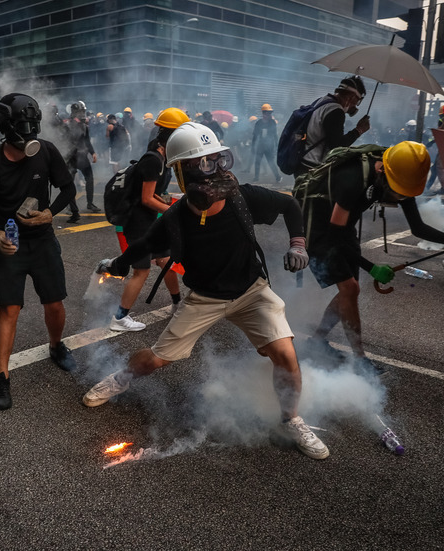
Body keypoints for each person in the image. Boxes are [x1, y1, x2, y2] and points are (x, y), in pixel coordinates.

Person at [89, 122, 329, 460]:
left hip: (251, 292)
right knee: (156, 359)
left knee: (286, 356)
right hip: (205, 299)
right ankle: (122, 377)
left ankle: (290, 419)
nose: (212, 171)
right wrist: (118, 263)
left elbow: (290, 206)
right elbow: (144, 242)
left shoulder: (243, 198)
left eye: (216, 160)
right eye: (201, 164)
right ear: (182, 175)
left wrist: (299, 245)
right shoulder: (175, 217)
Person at [301, 141, 444, 371]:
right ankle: (360, 360)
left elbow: (418, 228)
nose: (399, 198)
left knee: (349, 291)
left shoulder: (403, 177)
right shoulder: (353, 180)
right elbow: (334, 236)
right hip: (320, 227)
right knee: (350, 288)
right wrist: (371, 267)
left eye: (404, 195)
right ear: (382, 172)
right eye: (397, 193)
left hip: (344, 225)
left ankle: (316, 342)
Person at [0, 93, 79, 411]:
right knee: (10, 309)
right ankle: (1, 376)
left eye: (34, 130)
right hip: (9, 244)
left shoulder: (46, 151)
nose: (30, 138)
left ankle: (56, 346)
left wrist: (51, 213)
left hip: (43, 239)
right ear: (6, 130)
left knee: (55, 303)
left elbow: (68, 188)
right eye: (23, 133)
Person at [108, 108, 190, 332]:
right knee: (141, 271)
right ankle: (120, 318)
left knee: (165, 261)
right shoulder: (154, 160)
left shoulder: (161, 156)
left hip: (149, 221)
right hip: (138, 223)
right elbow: (146, 199)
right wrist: (170, 211)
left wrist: (168, 207)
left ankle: (176, 304)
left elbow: (150, 193)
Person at [298, 76, 371, 174]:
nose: (355, 106)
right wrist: (359, 130)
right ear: (351, 97)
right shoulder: (336, 111)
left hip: (303, 160)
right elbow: (337, 146)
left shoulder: (322, 100)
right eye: (357, 101)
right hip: (313, 166)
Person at [64, 101, 98, 219]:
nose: (82, 114)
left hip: (82, 156)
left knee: (90, 179)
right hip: (71, 157)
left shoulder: (84, 125)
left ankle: (90, 203)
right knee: (70, 183)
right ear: (74, 112)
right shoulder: (67, 125)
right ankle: (71, 207)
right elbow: (64, 142)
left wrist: (92, 152)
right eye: (80, 111)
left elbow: (87, 140)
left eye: (83, 111)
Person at [251, 104, 281, 184]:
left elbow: (275, 135)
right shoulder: (259, 123)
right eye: (268, 113)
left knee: (271, 162)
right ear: (264, 113)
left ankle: (278, 177)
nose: (270, 114)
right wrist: (253, 146)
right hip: (260, 146)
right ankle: (256, 177)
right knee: (257, 161)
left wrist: (276, 145)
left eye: (270, 113)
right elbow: (255, 135)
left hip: (269, 146)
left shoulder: (272, 123)